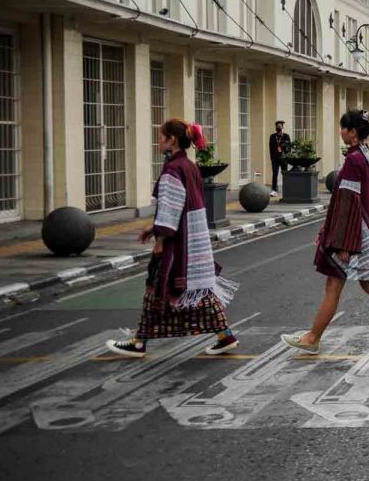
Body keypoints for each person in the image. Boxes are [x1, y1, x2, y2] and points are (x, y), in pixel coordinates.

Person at [106, 119, 238, 358]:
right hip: (195, 240)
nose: (158, 141)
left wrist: (160, 239)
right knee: (198, 291)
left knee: (158, 288)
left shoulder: (172, 169)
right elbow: (181, 205)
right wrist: (152, 227)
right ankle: (224, 335)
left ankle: (139, 341)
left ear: (172, 140)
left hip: (178, 242)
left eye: (161, 136)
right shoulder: (189, 166)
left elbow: (170, 208)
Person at [282, 111, 369, 355]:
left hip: (355, 234)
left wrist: (343, 244)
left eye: (343, 128)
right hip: (365, 230)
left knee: (336, 285)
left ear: (353, 133)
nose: (340, 131)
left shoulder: (354, 159)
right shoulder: (365, 153)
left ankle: (312, 339)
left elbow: (348, 202)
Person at [268, 120, 291, 197]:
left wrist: (287, 156)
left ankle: (287, 189)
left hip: (284, 158)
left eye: (280, 126)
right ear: (275, 127)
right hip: (275, 159)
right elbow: (270, 148)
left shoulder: (286, 136)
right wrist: (271, 158)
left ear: (282, 127)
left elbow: (289, 148)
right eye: (277, 126)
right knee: (275, 174)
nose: (279, 127)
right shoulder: (272, 136)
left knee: (285, 174)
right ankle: (274, 190)